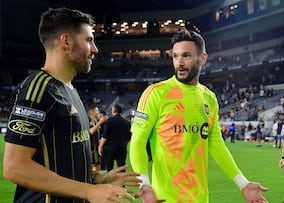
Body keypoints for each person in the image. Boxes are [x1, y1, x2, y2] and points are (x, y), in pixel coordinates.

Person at [3, 7, 140, 203]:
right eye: (89, 40)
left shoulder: (70, 90)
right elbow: (15, 167)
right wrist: (88, 191)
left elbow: (63, 165)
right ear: (66, 41)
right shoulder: (38, 89)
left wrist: (96, 179)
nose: (95, 49)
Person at [129, 29, 268, 203]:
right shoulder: (156, 93)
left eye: (186, 55)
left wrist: (243, 183)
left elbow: (216, 144)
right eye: (175, 56)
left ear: (202, 58)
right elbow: (138, 141)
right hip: (164, 199)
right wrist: (145, 185)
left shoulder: (209, 98)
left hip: (200, 198)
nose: (179, 62)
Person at [99, 103, 131, 171]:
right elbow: (129, 136)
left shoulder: (109, 121)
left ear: (113, 110)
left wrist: (100, 146)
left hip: (110, 148)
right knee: (122, 167)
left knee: (110, 168)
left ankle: (111, 181)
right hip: (122, 147)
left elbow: (105, 135)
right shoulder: (126, 122)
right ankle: (123, 181)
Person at [88, 104, 107, 171]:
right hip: (91, 148)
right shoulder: (89, 120)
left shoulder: (95, 121)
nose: (98, 113)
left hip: (96, 147)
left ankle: (97, 181)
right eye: (97, 111)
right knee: (93, 166)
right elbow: (91, 131)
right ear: (92, 112)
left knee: (98, 165)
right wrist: (100, 122)